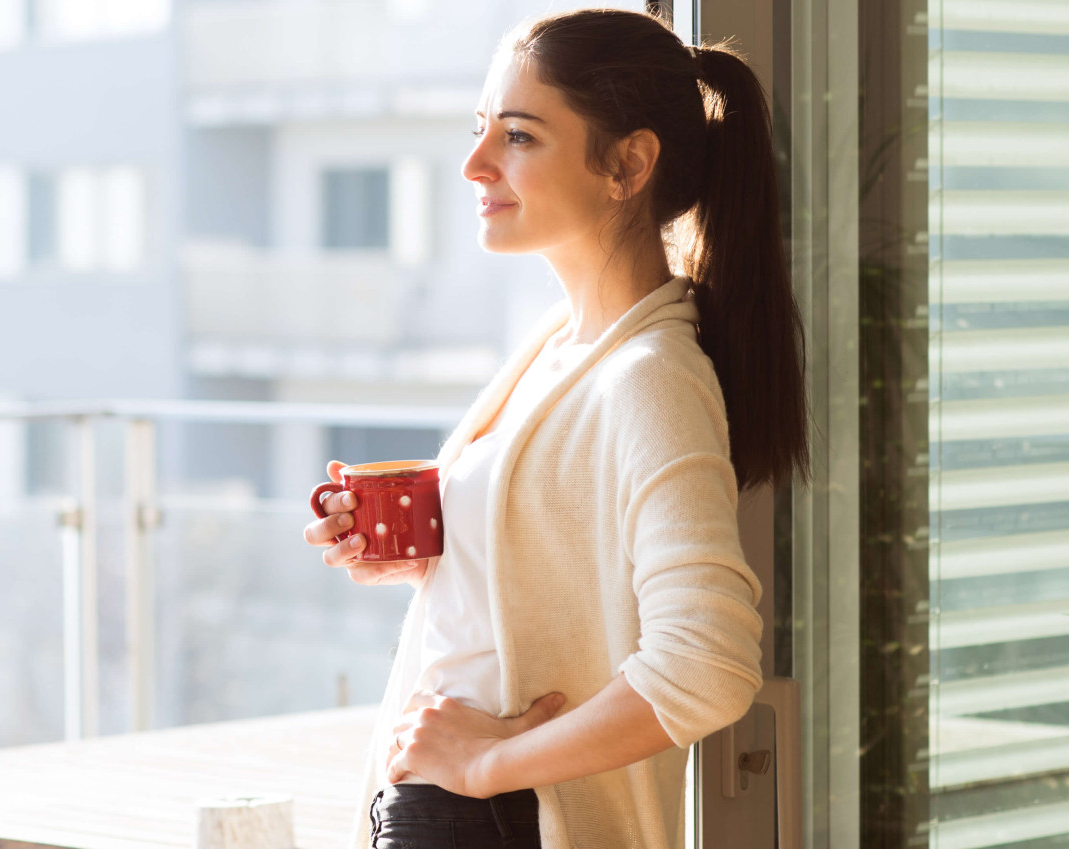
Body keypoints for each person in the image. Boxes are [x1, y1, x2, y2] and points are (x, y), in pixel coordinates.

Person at [300, 8, 811, 849]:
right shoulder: (562, 348)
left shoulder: (649, 378)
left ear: (628, 165)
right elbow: (559, 558)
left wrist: (486, 766)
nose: (474, 163)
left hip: (498, 817)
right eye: (480, 131)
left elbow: (706, 667)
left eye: (520, 137)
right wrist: (438, 549)